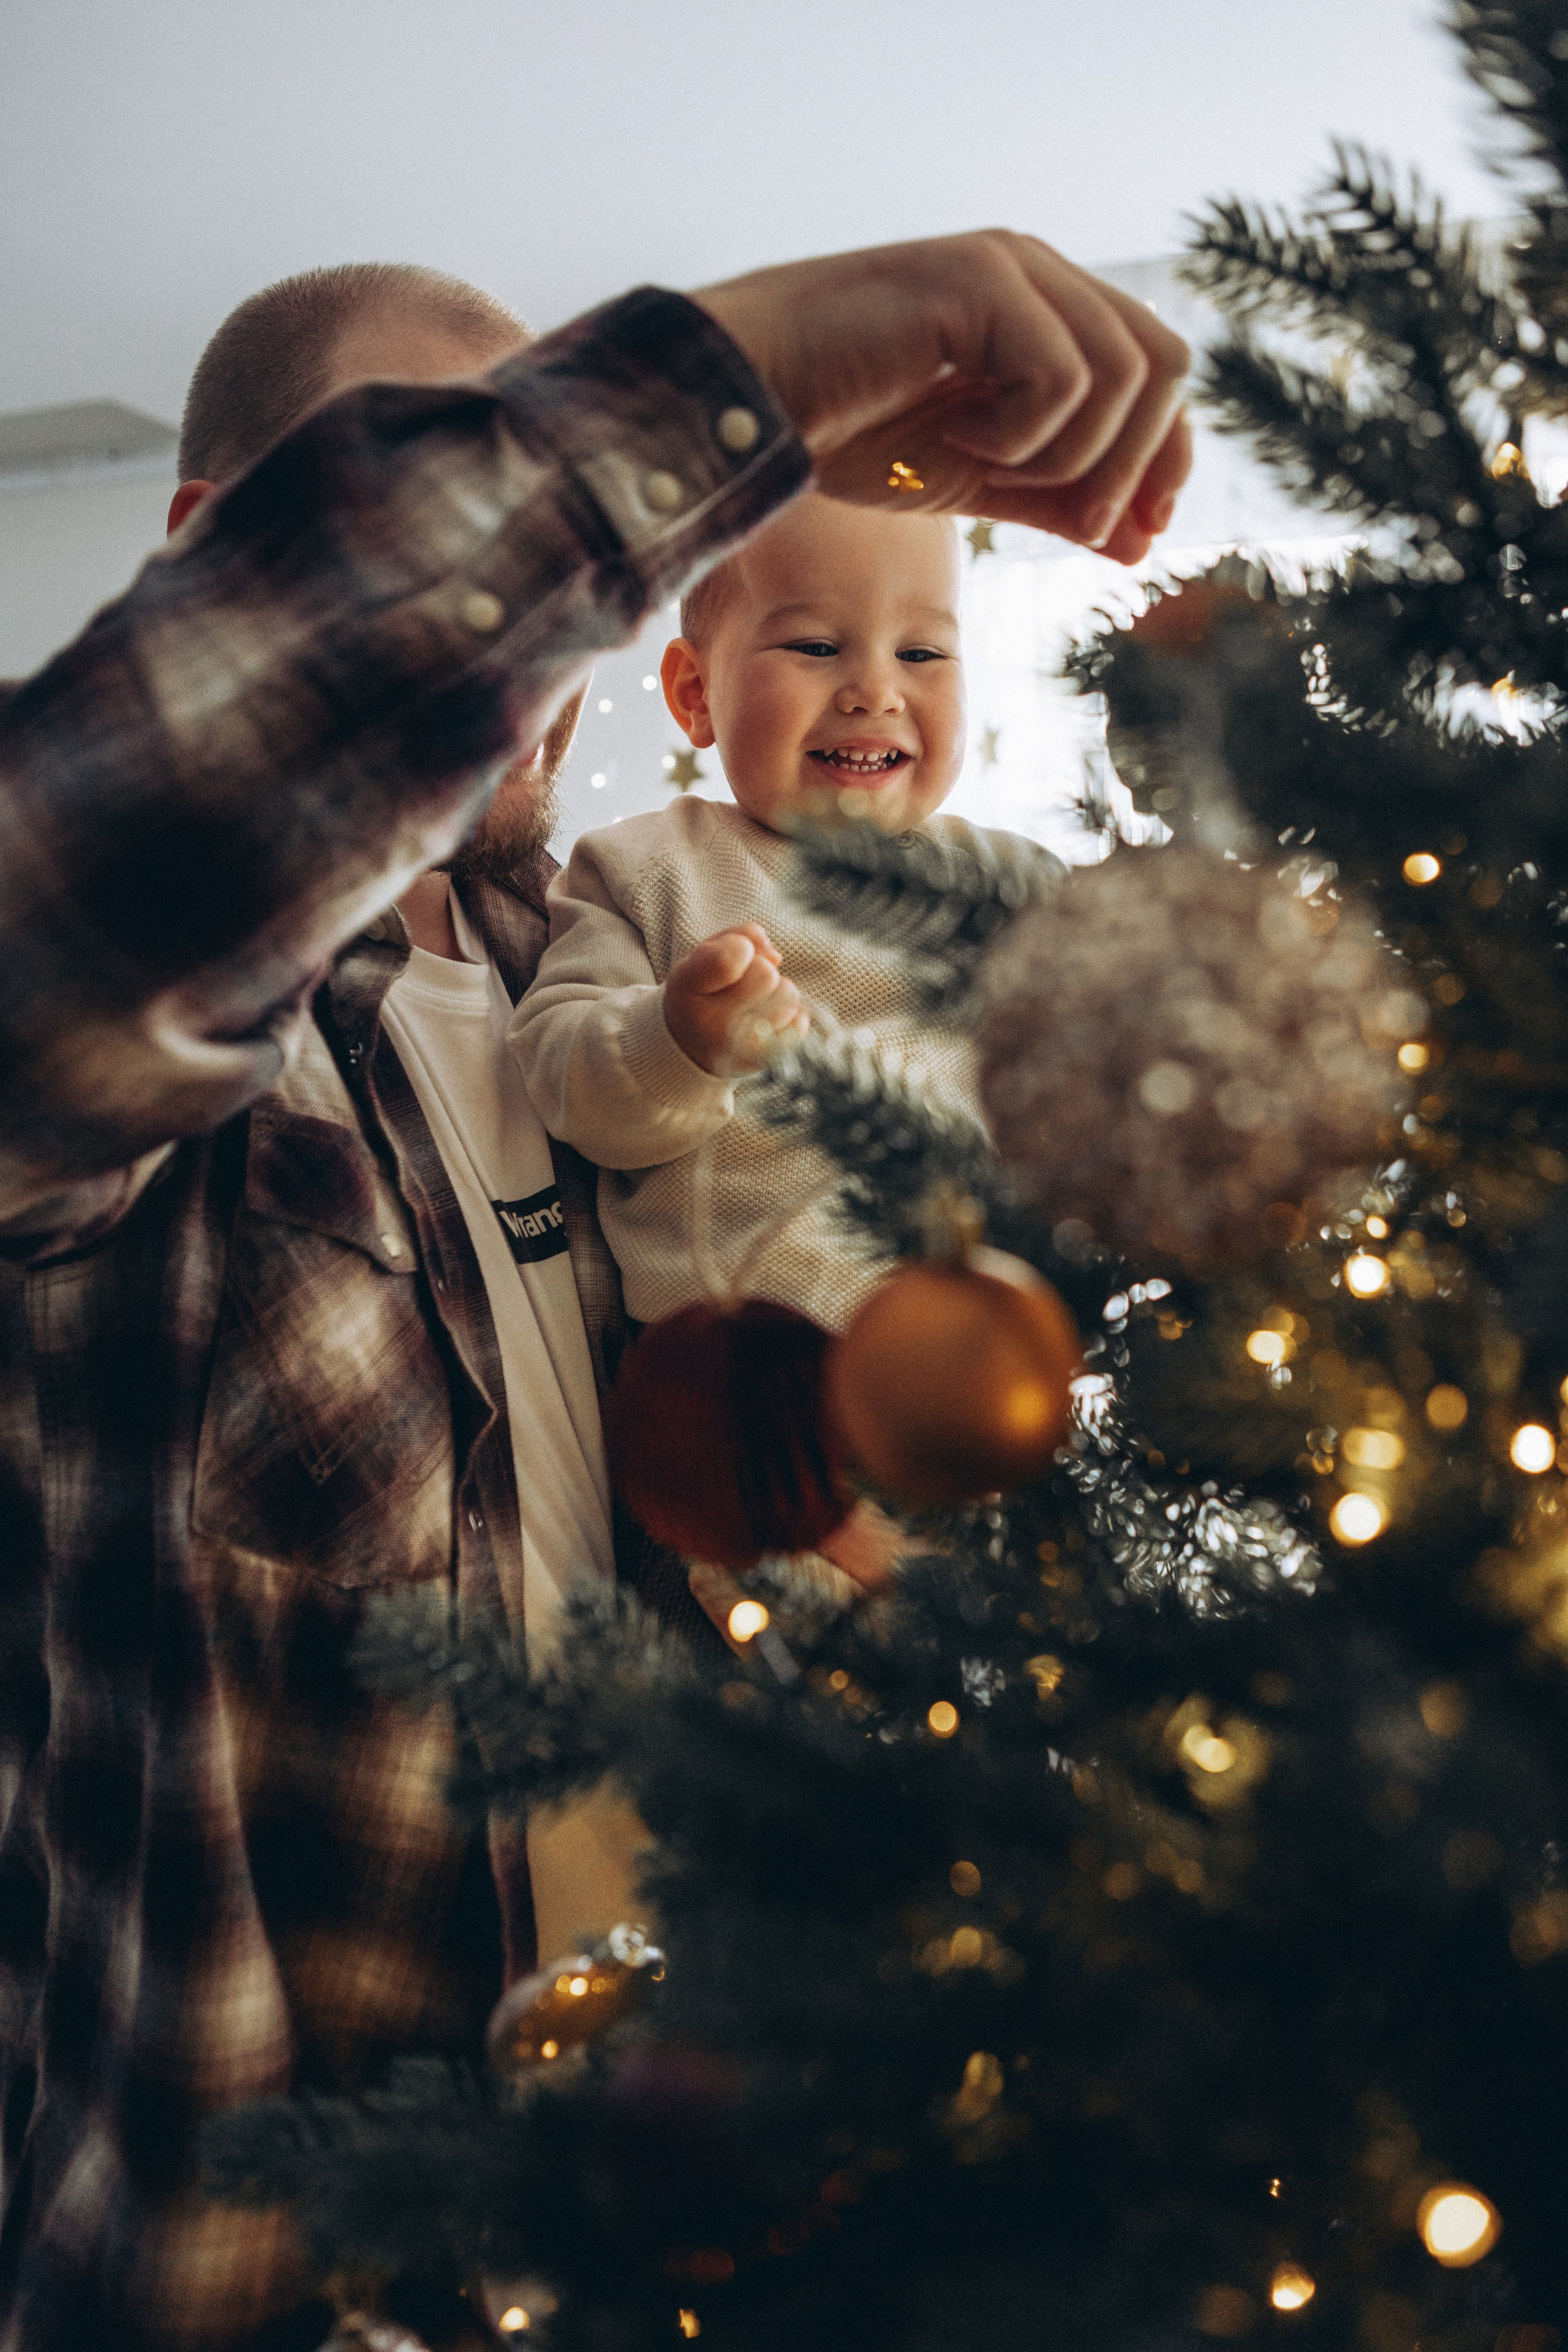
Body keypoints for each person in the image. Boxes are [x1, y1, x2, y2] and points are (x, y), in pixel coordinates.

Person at [0, 230, 1190, 2352]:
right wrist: (763, 369)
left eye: (577, 552)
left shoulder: (619, 981)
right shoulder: (157, 1070)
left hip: (688, 2208)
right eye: (455, 498)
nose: (547, 603)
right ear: (214, 555)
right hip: (288, 2280)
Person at [510, 490, 1055, 1336]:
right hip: (741, 1355)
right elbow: (560, 1078)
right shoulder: (643, 867)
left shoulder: (1005, 885)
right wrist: (677, 1039)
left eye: (921, 652)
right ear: (696, 691)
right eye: (816, 647)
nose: (876, 691)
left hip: (980, 1344)